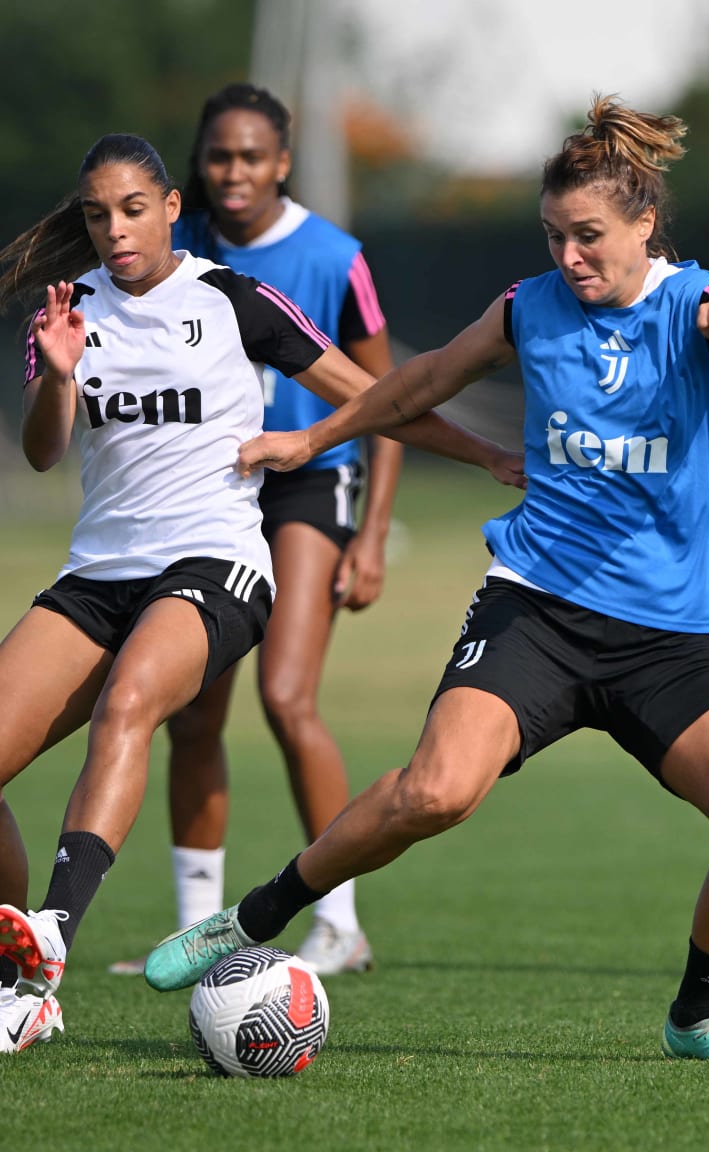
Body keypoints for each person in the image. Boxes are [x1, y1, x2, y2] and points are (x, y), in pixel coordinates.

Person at [144, 94, 709, 1065]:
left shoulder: (705, 309)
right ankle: (252, 917)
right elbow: (418, 378)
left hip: (668, 638)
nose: (571, 257)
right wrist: (309, 437)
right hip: (538, 610)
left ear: (646, 224)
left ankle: (698, 1015)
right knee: (433, 795)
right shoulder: (530, 307)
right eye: (556, 236)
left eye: (591, 237)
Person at [0, 133, 520, 1053]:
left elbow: (374, 395)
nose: (114, 231)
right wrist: (61, 372)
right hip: (96, 574)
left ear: (169, 207)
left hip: (214, 566)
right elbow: (46, 447)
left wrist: (483, 453)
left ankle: (51, 941)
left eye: (131, 209)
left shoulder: (232, 298)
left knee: (131, 703)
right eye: (95, 215)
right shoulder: (68, 311)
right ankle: (17, 981)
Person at [108, 83, 401, 979]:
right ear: (198, 165)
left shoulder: (332, 253)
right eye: (219, 157)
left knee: (286, 696)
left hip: (309, 482)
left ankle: (340, 922)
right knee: (193, 717)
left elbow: (387, 396)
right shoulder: (171, 242)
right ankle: (195, 932)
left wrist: (375, 534)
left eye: (251, 156)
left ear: (282, 161)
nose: (233, 173)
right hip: (212, 492)